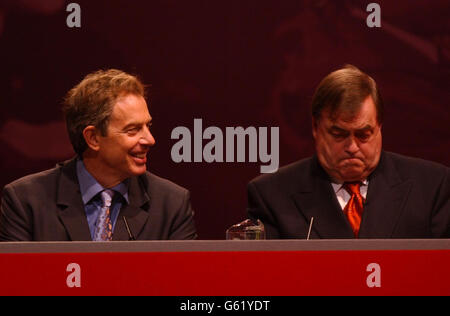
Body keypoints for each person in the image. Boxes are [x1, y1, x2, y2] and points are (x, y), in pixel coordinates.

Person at [247, 65, 449, 239]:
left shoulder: (431, 188)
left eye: (363, 134)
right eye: (338, 134)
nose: (352, 147)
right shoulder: (272, 196)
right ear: (316, 128)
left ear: (379, 126)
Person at [0, 69, 197, 241]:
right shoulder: (25, 201)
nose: (150, 139)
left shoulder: (171, 205)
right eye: (133, 130)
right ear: (93, 138)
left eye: (148, 126)